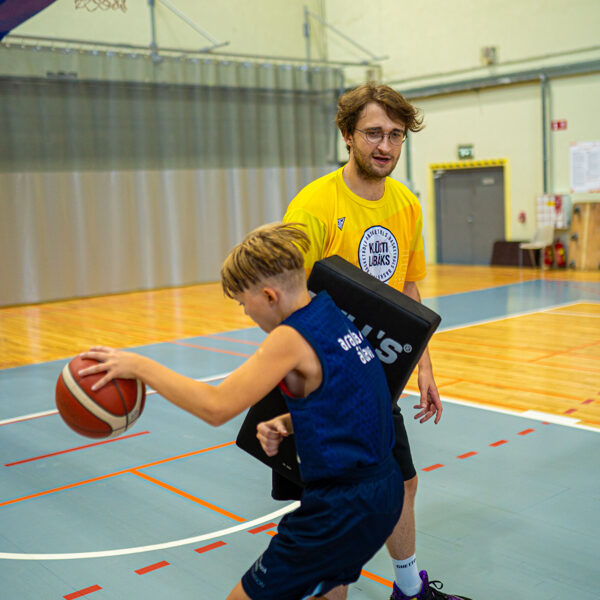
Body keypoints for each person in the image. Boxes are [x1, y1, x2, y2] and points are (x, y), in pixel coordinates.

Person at [79, 222, 404, 600]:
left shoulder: (291, 337)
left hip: (342, 508)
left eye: (242, 302)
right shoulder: (329, 312)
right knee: (327, 587)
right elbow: (353, 396)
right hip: (381, 491)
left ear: (268, 295)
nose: (245, 313)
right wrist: (291, 421)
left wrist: (140, 367)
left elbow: (217, 407)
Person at [282, 83, 471, 600]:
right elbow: (288, 304)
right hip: (324, 379)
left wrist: (423, 366)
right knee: (332, 509)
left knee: (402, 482)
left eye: (395, 135)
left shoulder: (406, 204)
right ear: (347, 135)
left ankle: (409, 590)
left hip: (377, 374)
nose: (384, 146)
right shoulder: (314, 206)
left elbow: (407, 292)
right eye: (372, 133)